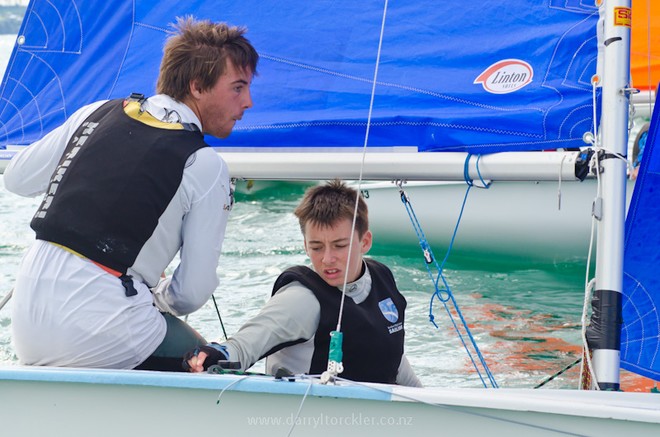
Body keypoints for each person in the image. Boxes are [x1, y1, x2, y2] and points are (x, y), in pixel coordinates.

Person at [3, 17, 259, 371]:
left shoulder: (96, 113)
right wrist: (157, 299)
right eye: (238, 87)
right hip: (105, 332)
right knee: (214, 366)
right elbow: (191, 293)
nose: (248, 101)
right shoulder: (204, 165)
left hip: (28, 320)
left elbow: (16, 179)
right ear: (197, 87)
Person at [184, 179, 422, 387]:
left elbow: (393, 357)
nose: (328, 259)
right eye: (316, 247)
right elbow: (246, 345)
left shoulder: (382, 278)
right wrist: (215, 353)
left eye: (340, 246)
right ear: (305, 245)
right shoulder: (302, 300)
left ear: (365, 242)